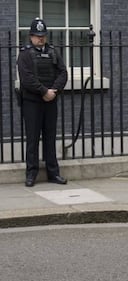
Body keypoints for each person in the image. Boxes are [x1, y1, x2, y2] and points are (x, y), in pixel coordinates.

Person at [17, 17, 68, 187]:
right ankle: (31, 174)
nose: (40, 38)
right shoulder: (24, 54)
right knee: (32, 139)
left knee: (50, 137)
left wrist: (54, 91)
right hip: (32, 102)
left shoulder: (53, 52)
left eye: (43, 35)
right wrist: (44, 91)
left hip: (50, 101)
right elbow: (27, 79)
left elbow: (63, 73)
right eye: (37, 35)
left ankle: (53, 173)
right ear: (31, 36)